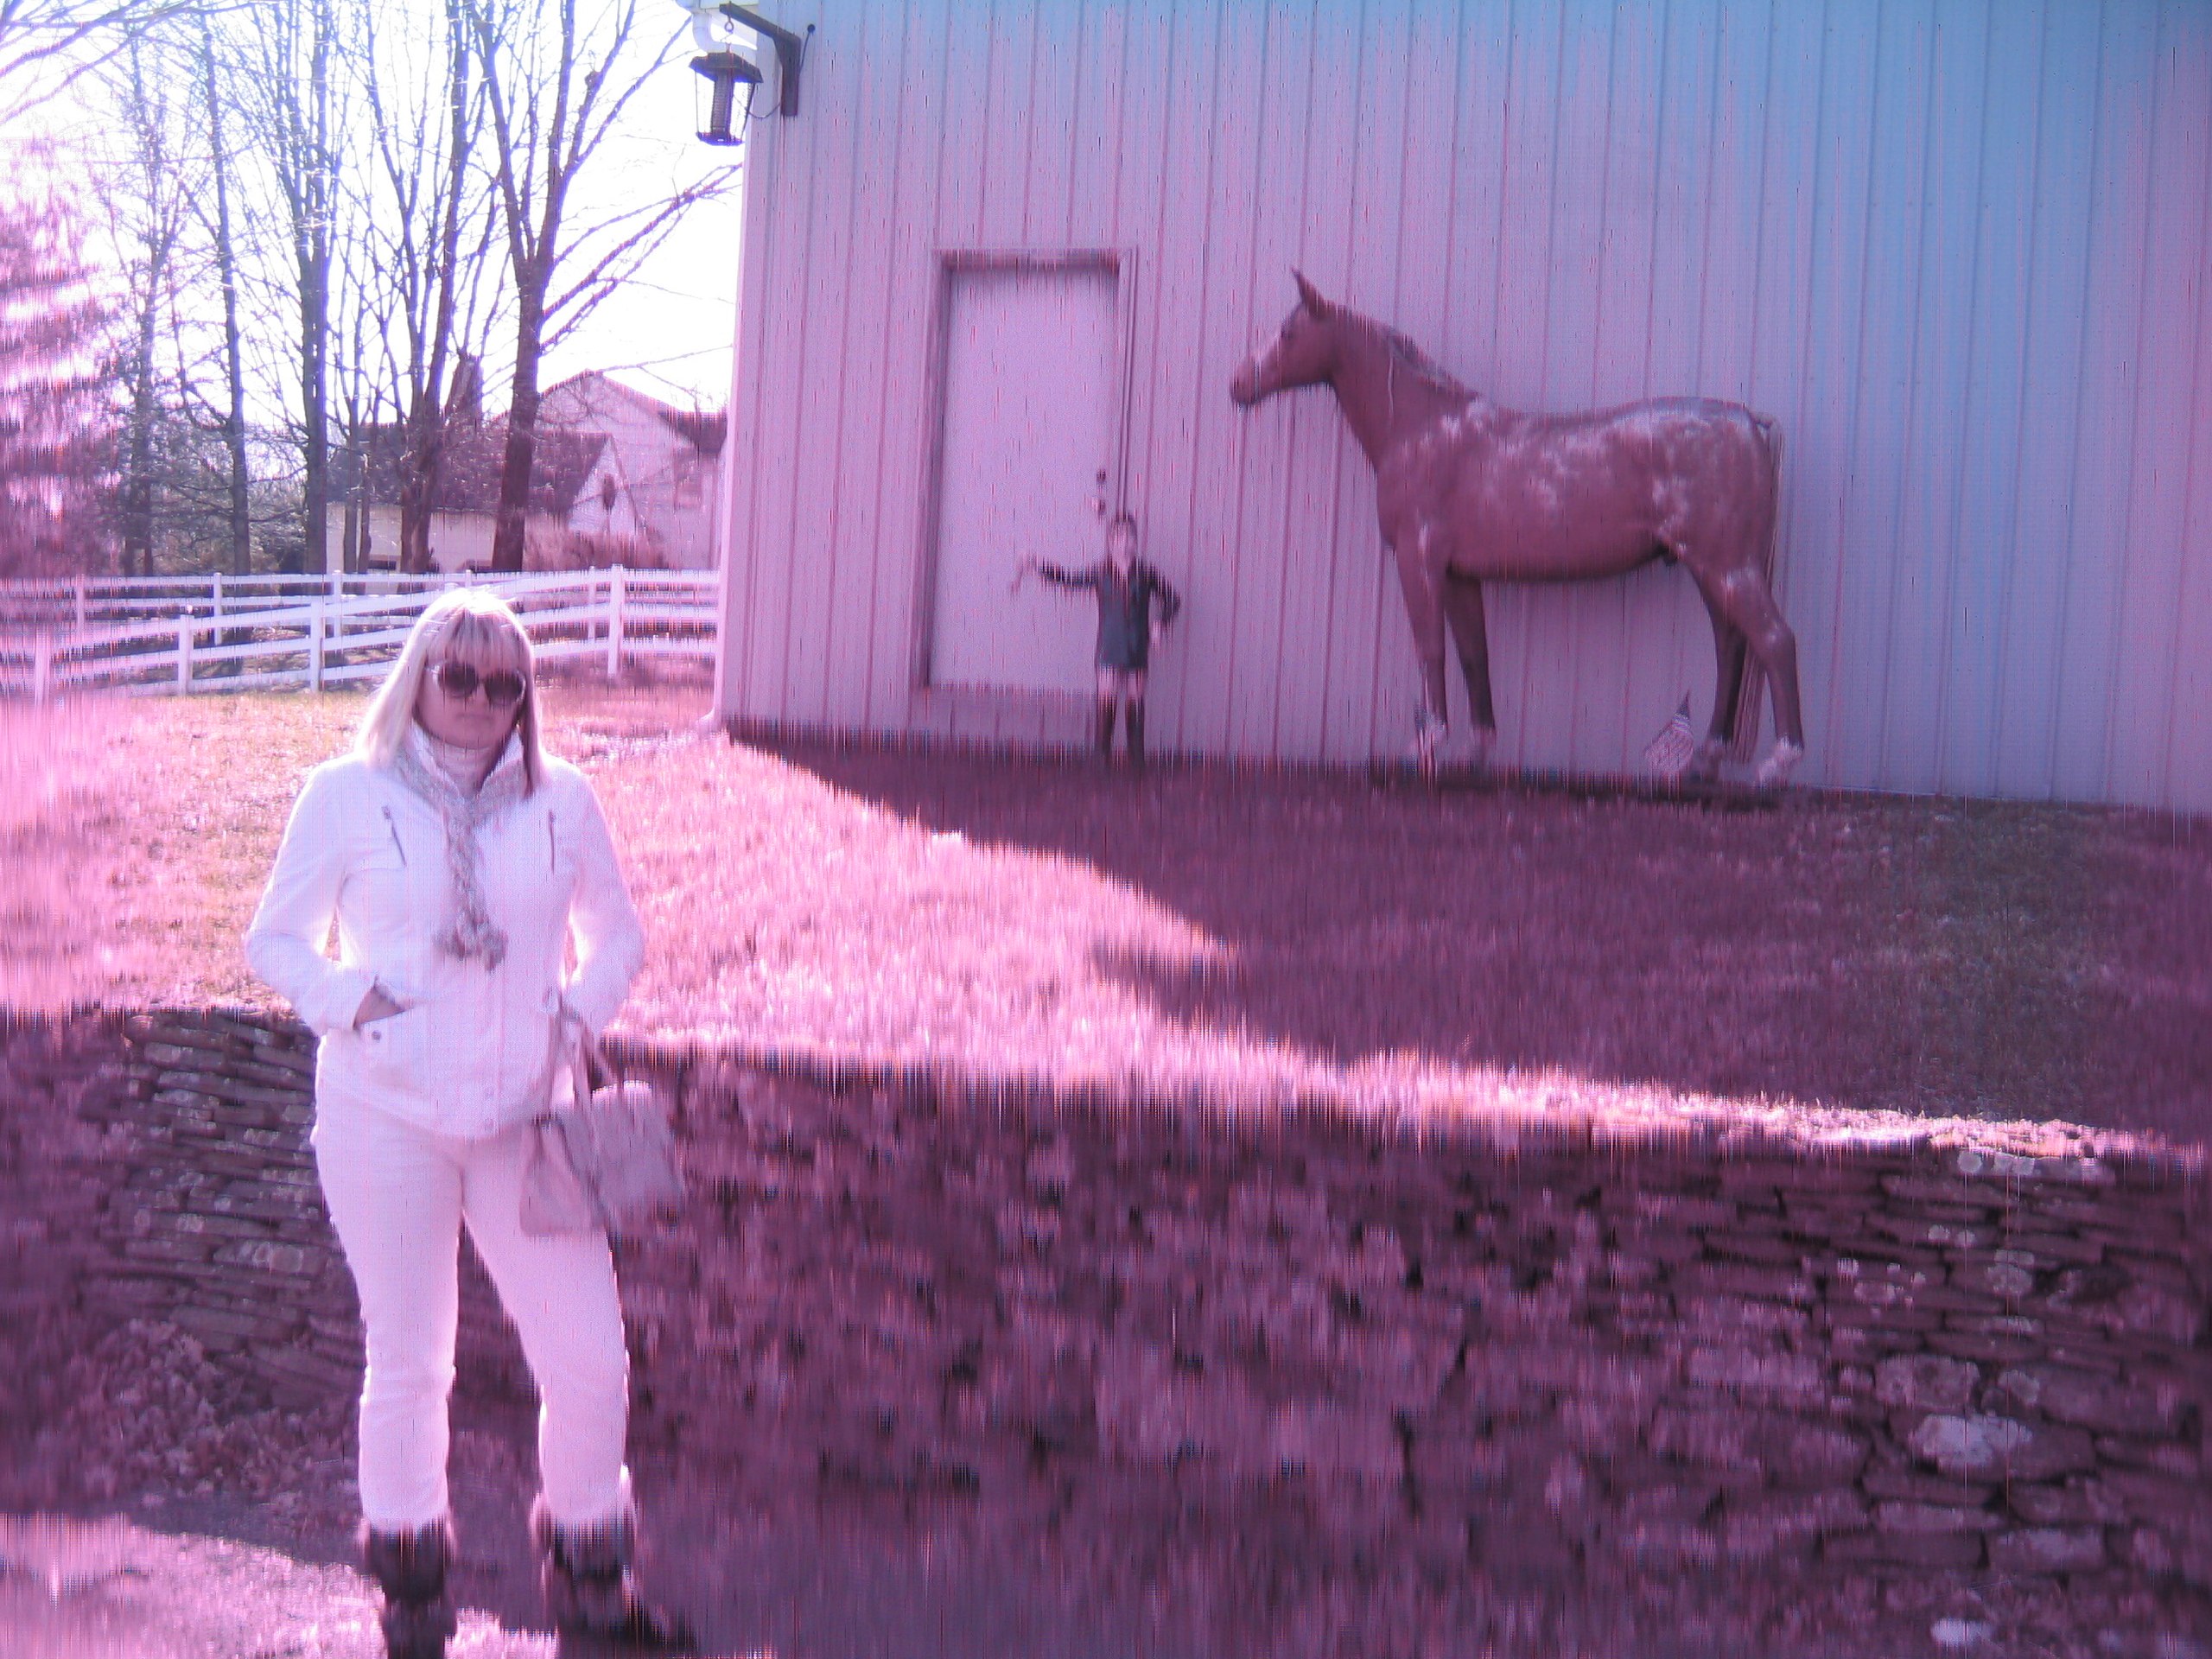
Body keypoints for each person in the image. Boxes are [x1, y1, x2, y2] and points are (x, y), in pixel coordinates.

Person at [245, 588, 687, 1657]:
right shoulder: (345, 795)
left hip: (523, 1123)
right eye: (461, 676)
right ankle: (413, 1598)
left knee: (590, 1358)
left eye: (506, 683)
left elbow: (617, 937)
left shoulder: (562, 800)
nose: (483, 699)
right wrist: (357, 1003)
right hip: (383, 1113)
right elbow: (276, 941)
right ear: (419, 678)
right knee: (411, 1358)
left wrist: (573, 1016)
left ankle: (593, 1584)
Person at [1019, 507, 1182, 766]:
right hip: (1109, 644)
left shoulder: (1147, 572)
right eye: (1118, 536)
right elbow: (1069, 579)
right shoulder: (1099, 571)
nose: (1123, 542)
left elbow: (1173, 599)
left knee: (1136, 699)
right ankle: (1101, 757)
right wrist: (1038, 565)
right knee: (1107, 698)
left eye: (1128, 536)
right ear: (1110, 541)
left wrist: (1160, 623)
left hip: (1137, 645)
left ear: (1136, 540)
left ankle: (1136, 760)